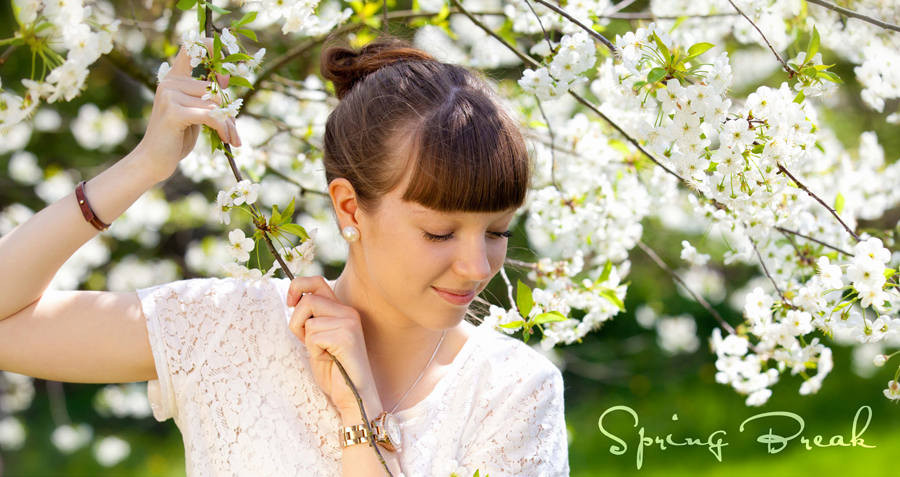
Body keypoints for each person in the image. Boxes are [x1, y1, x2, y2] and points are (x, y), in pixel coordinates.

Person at [0, 32, 570, 477]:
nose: (477, 267)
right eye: (440, 234)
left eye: (497, 232)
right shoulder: (227, 329)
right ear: (350, 209)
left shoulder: (513, 390)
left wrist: (360, 410)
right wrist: (144, 166)